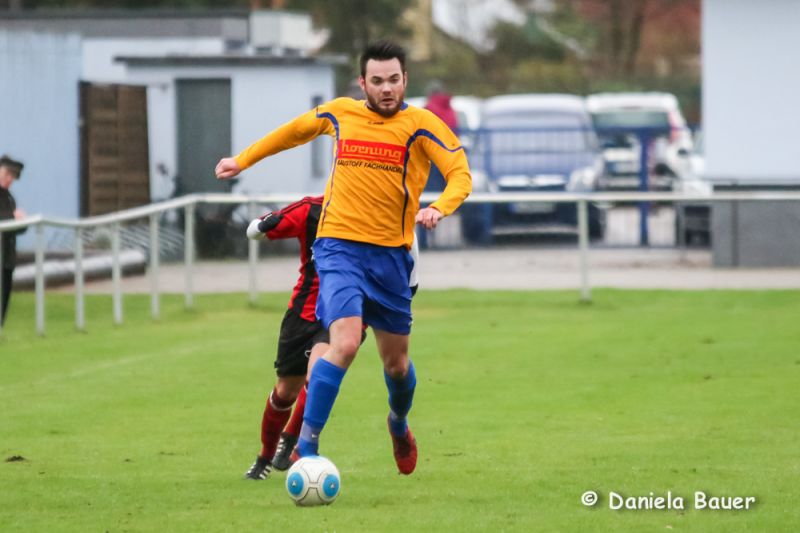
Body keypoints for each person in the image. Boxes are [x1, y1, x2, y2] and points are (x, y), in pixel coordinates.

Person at [216, 40, 471, 475]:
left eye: (394, 80)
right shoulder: (340, 114)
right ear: (362, 83)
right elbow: (293, 131)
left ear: (405, 80)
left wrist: (439, 207)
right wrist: (243, 160)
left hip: (390, 258)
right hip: (338, 249)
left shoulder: (422, 125)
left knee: (396, 366)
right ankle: (306, 448)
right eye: (378, 80)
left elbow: (460, 175)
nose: (387, 88)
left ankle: (398, 422)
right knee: (346, 343)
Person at [242, 196, 419, 479]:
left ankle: (297, 441)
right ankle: (265, 457)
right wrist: (261, 226)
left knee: (320, 371)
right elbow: (261, 229)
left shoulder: (379, 208)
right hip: (304, 313)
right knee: (284, 392)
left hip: (344, 310)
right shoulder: (311, 210)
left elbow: (408, 242)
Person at [0, 155, 25, 326]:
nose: (9, 179)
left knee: (5, 296)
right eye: (7, 174)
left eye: (12, 177)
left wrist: (22, 222)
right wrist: (13, 218)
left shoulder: (9, 198)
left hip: (7, 258)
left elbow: (15, 227)